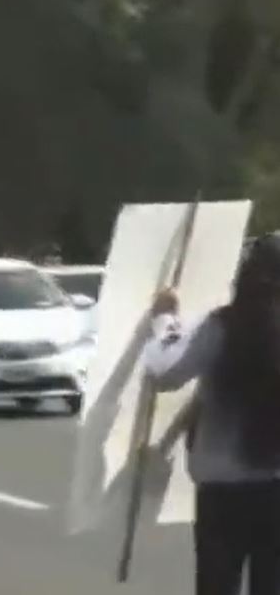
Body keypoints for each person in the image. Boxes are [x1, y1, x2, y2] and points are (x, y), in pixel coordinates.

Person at [143, 233, 280, 595]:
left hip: (223, 490)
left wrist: (166, 320)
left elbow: (166, 372)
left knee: (218, 585)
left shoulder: (223, 325)